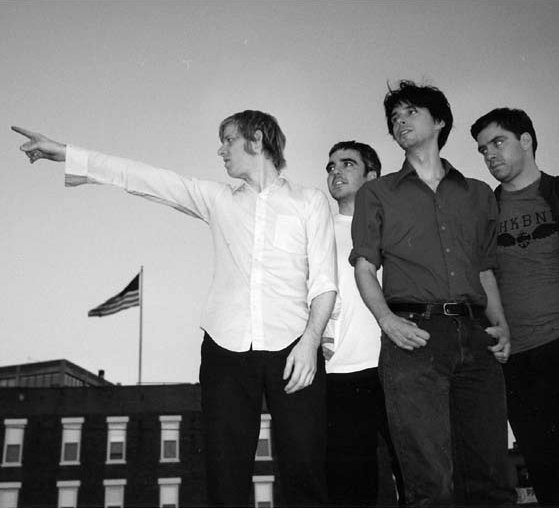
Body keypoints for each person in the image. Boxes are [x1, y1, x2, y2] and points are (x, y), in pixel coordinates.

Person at [12, 111, 337, 508]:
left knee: (305, 471)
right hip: (226, 351)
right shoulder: (218, 199)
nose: (221, 150)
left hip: (295, 348)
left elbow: (324, 282)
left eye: (228, 140)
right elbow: (145, 178)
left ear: (256, 139)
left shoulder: (309, 202)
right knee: (225, 476)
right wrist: (66, 152)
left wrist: (310, 343)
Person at [349, 81, 516, 506]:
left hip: (476, 337)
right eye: (394, 118)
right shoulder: (376, 193)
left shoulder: (478, 193)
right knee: (431, 483)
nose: (400, 122)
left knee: (492, 477)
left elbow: (485, 268)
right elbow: (365, 266)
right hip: (414, 339)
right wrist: (387, 321)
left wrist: (500, 325)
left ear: (439, 121)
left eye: (410, 112)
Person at [471, 108, 559, 505]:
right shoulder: (484, 213)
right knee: (545, 468)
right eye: (483, 149)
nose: (489, 154)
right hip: (517, 360)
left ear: (526, 141)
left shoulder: (555, 194)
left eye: (498, 142)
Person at [322, 140, 404, 507]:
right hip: (339, 373)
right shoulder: (318, 231)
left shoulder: (396, 226)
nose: (335, 171)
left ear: (372, 176)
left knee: (414, 473)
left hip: (397, 366)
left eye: (347, 164)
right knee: (350, 486)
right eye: (330, 166)